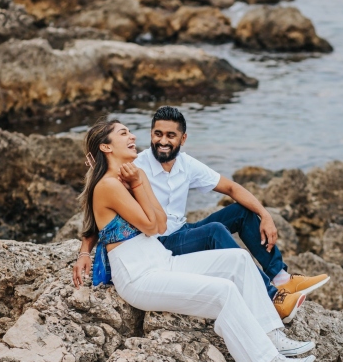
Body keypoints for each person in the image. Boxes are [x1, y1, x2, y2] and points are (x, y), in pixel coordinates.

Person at [73, 117, 316, 362]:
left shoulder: (131, 174)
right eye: (123, 133)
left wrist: (138, 180)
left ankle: (272, 334)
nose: (132, 136)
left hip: (161, 260)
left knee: (238, 259)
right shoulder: (109, 185)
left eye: (130, 131)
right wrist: (138, 184)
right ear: (107, 147)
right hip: (138, 276)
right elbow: (152, 226)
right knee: (224, 291)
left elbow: (162, 222)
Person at [130, 106, 329, 322]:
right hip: (159, 243)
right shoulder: (136, 165)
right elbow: (103, 194)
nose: (163, 141)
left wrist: (265, 215)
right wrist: (86, 251)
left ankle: (282, 278)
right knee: (214, 231)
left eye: (171, 135)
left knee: (242, 212)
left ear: (183, 138)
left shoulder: (186, 164)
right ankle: (270, 299)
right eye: (158, 134)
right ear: (151, 134)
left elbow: (232, 189)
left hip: (181, 232)